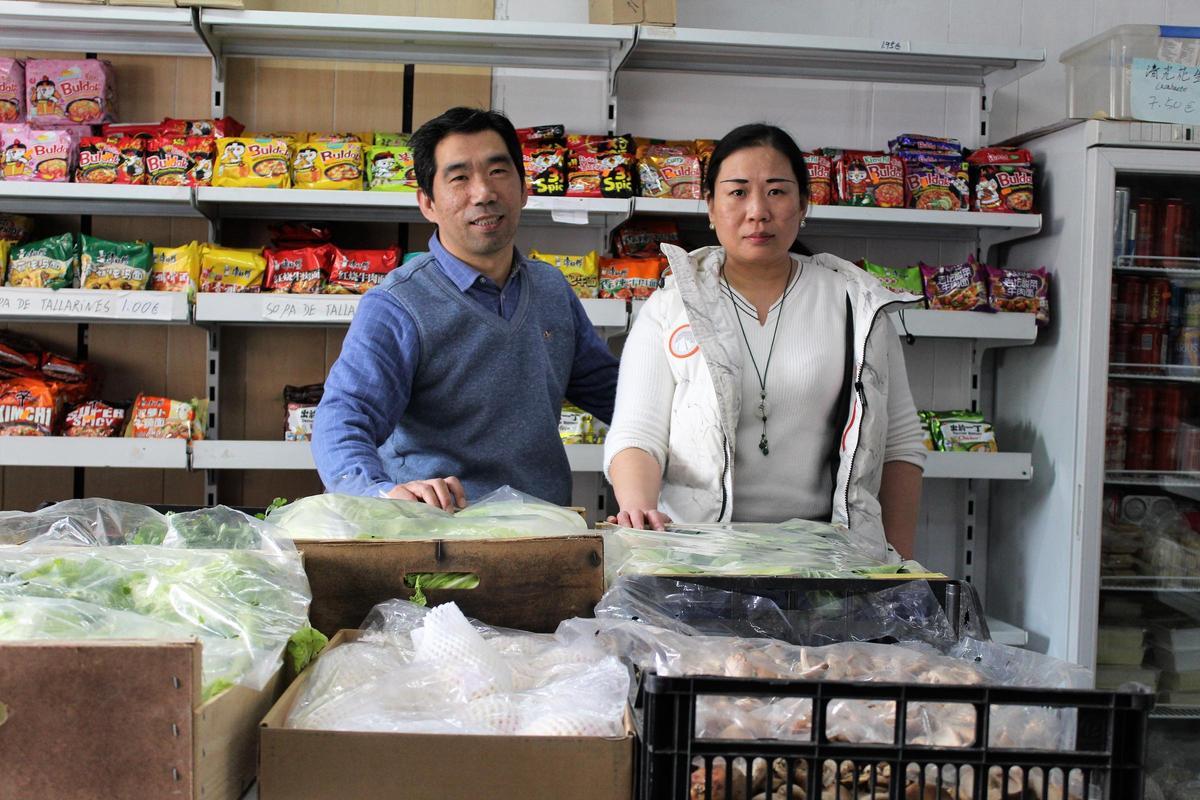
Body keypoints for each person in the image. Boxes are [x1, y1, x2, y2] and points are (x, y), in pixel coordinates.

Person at [603, 124, 925, 562]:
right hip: (695, 556)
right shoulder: (669, 308)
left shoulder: (857, 305)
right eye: (737, 192)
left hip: (825, 561)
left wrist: (900, 562)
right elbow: (637, 435)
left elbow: (901, 445)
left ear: (804, 204)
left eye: (777, 191)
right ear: (711, 208)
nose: (757, 211)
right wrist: (639, 509)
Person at [313, 107, 618, 511]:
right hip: (440, 538)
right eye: (459, 178)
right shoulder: (398, 305)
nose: (483, 193)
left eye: (498, 171)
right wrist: (381, 494)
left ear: (525, 188)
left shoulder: (550, 288)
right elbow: (343, 419)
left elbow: (613, 392)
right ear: (427, 203)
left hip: (544, 532)